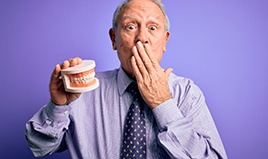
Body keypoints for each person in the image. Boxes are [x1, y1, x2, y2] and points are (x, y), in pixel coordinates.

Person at [25, 0, 227, 158]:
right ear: (114, 39)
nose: (142, 38)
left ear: (165, 41)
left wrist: (163, 104)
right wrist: (57, 106)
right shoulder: (82, 92)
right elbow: (40, 147)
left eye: (153, 28)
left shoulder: (187, 93)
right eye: (131, 27)